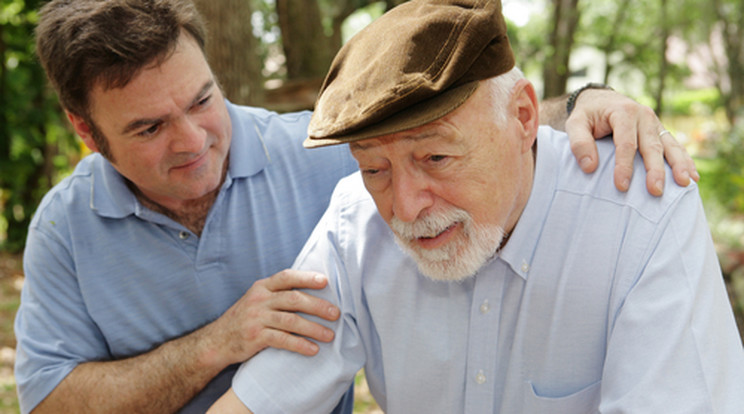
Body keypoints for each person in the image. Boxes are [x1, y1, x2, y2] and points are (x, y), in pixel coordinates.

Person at [14, 0, 697, 413]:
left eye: (201, 100)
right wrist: (215, 345)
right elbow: (49, 404)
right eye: (148, 128)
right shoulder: (64, 231)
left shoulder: (321, 159)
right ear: (86, 130)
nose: (194, 141)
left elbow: (460, 128)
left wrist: (590, 103)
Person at [210, 0, 744, 412]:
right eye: (374, 168)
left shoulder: (642, 213)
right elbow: (257, 402)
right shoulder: (355, 223)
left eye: (437, 157)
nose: (406, 207)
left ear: (524, 117)